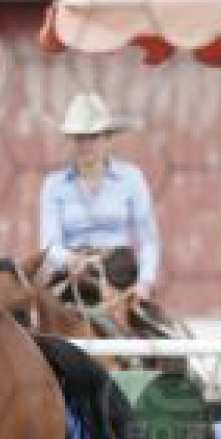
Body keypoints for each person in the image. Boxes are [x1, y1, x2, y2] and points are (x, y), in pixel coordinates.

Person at [39, 92, 162, 301]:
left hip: (121, 275)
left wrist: (145, 282)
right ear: (70, 141)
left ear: (107, 138)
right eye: (79, 138)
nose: (86, 144)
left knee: (154, 321)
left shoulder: (131, 178)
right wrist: (70, 259)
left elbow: (149, 240)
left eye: (93, 137)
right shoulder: (54, 185)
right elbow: (49, 245)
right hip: (73, 278)